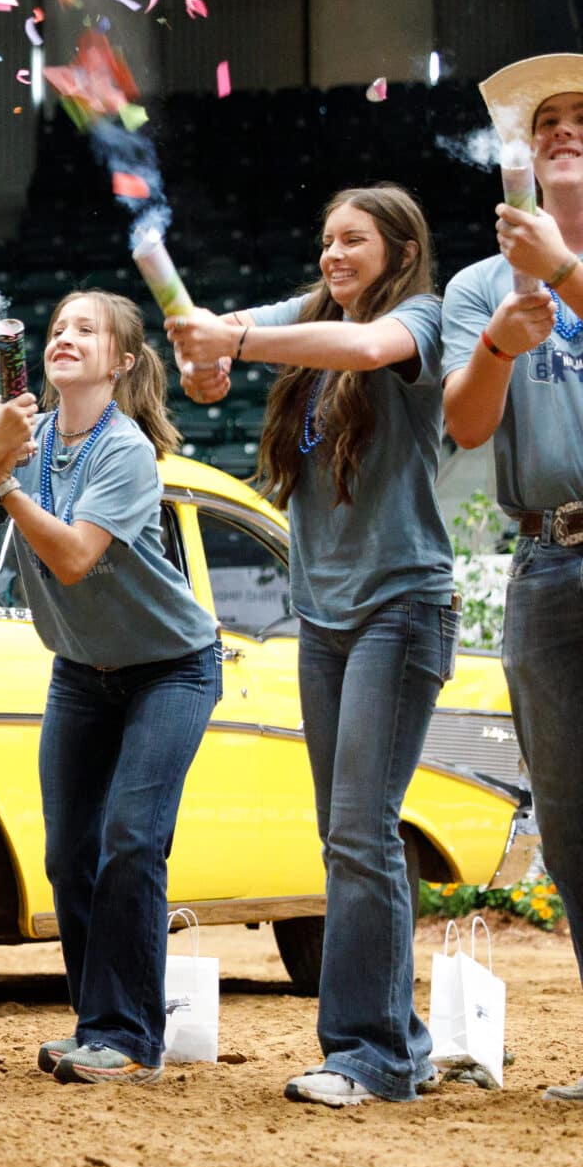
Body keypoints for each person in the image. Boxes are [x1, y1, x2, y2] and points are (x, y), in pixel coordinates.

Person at [168, 186, 454, 1107]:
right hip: (326, 618)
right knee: (345, 835)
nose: (334, 255)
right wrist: (205, 352)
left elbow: (361, 348)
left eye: (354, 241)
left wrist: (234, 343)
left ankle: (368, 1052)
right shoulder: (313, 314)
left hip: (402, 606)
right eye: (326, 240)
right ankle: (393, 1046)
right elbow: (235, 327)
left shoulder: (418, 318)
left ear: (401, 250)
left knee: (362, 830)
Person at [0, 291, 220, 1085]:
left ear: (121, 361)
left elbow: (71, 557)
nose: (65, 337)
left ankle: (132, 1037)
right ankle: (99, 1025)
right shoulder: (21, 435)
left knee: (132, 838)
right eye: (57, 326)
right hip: (82, 670)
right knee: (69, 856)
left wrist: (8, 483)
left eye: (85, 330)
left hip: (171, 666)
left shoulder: (123, 449)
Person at [438, 55, 583, 1102]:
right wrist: (499, 334)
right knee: (570, 814)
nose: (564, 132)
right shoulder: (478, 282)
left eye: (582, 119)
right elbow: (464, 421)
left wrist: (566, 272)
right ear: (522, 155)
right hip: (541, 556)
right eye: (548, 124)